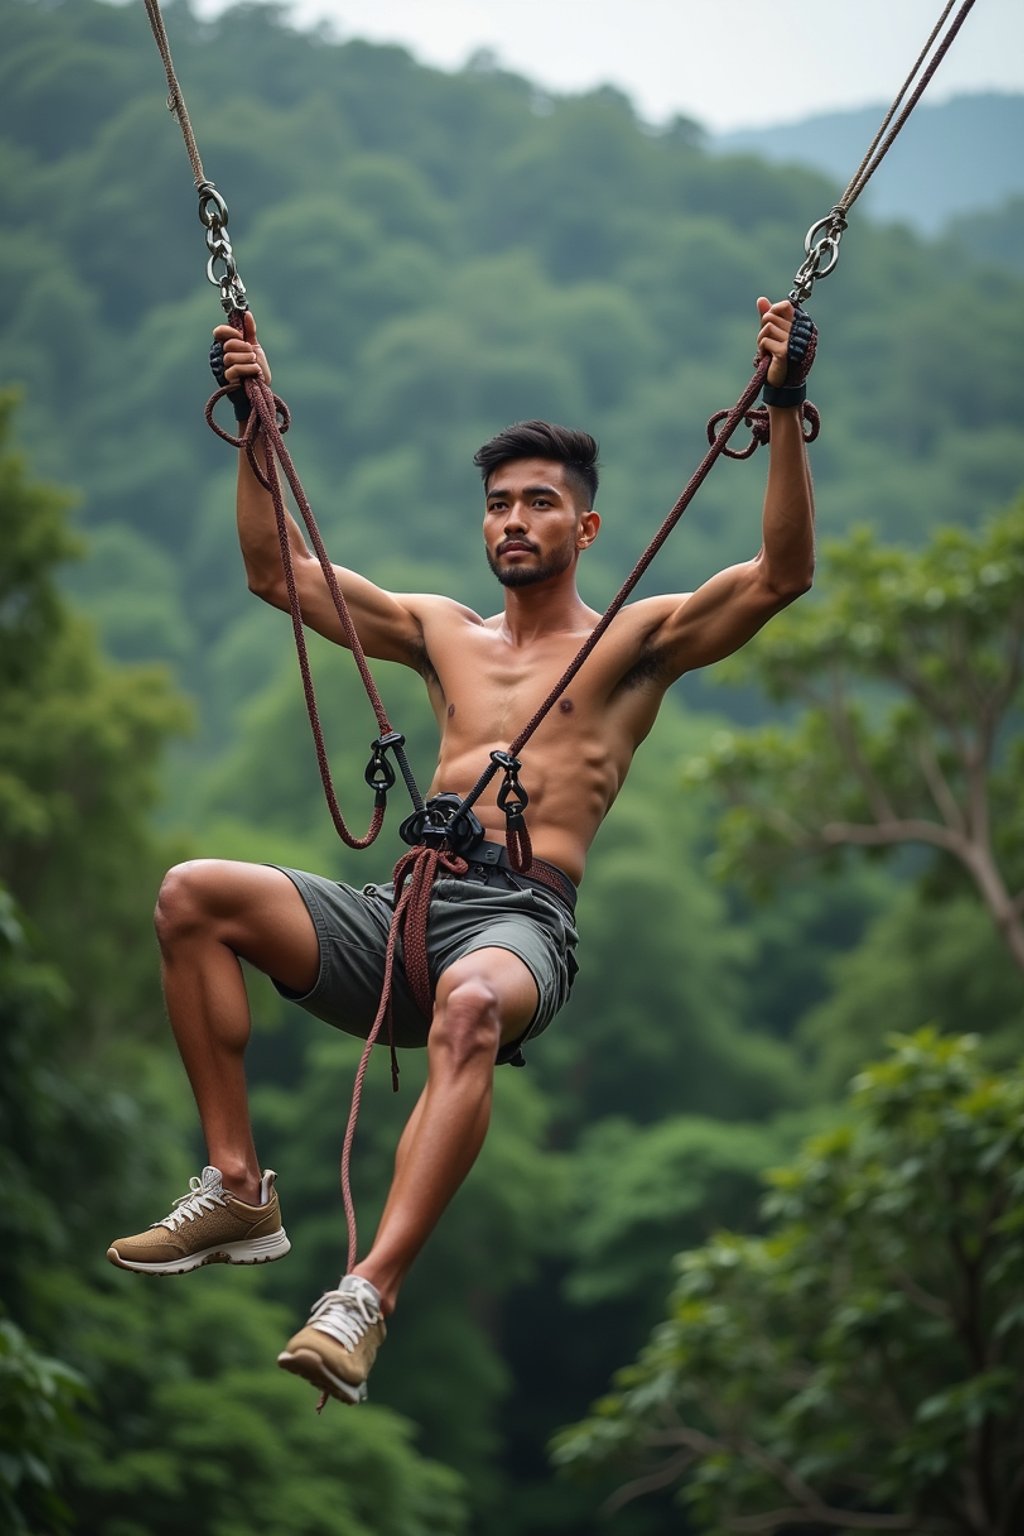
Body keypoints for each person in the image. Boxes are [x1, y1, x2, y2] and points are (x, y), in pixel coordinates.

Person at [107, 297, 816, 1405]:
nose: (513, 521)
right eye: (497, 505)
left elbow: (777, 576)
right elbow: (275, 576)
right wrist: (254, 427)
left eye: (540, 503)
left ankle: (365, 1296)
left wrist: (779, 405)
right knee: (194, 896)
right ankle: (238, 1186)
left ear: (585, 530)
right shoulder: (443, 633)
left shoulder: (634, 641)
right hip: (401, 914)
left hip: (518, 925)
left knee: (471, 1010)